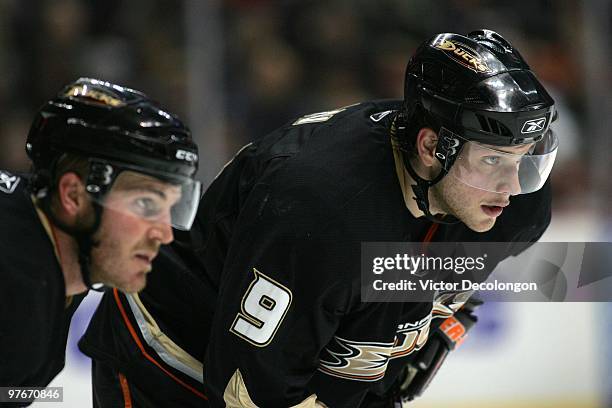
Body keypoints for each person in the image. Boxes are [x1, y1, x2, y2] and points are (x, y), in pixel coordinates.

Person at [79, 29, 558, 407]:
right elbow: (249, 391)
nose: (513, 186)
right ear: (432, 147)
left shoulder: (515, 201)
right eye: (493, 160)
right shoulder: (319, 209)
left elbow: (454, 291)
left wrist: (443, 329)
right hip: (169, 361)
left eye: (523, 158)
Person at [0, 78, 200, 403]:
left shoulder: (37, 243)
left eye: (171, 206)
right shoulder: (17, 282)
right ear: (74, 196)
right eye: (146, 204)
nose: (164, 232)